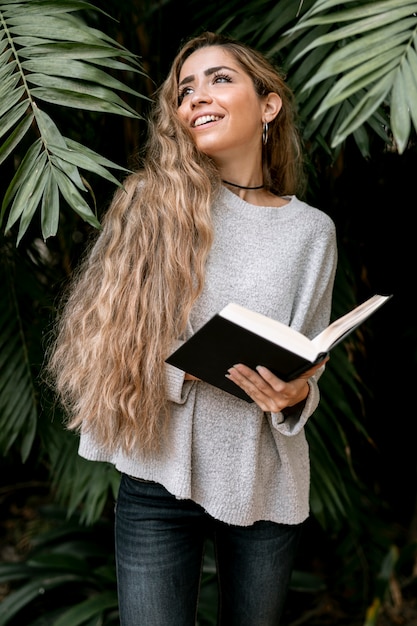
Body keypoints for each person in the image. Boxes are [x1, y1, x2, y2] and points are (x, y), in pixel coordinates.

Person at [47, 31, 337, 626]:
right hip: (158, 472)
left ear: (270, 104)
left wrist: (295, 395)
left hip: (264, 480)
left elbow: (307, 358)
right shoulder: (154, 203)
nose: (196, 96)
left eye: (219, 79)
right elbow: (103, 344)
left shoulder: (312, 232)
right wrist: (184, 368)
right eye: (185, 89)